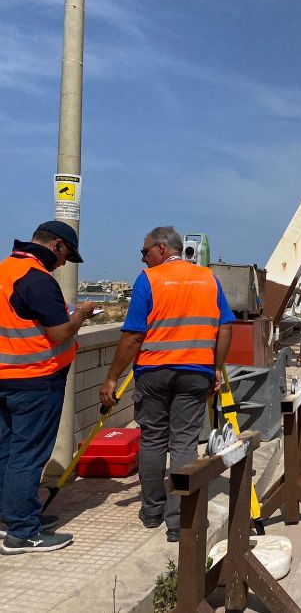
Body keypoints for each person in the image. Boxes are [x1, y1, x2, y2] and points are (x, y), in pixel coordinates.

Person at [98, 227, 234, 543]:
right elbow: (225, 327)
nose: (143, 259)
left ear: (161, 248)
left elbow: (132, 335)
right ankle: (178, 520)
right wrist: (216, 368)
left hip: (153, 373)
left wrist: (112, 376)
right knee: (185, 443)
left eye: (145, 252)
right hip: (196, 373)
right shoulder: (208, 279)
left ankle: (152, 512)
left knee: (154, 440)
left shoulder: (149, 280)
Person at [0, 221, 95, 554]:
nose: (64, 264)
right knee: (27, 457)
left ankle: (10, 517)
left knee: (8, 453)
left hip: (7, 377)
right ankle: (23, 532)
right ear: (56, 245)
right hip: (35, 381)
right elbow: (59, 333)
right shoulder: (37, 279)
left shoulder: (6, 270)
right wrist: (81, 314)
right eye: (66, 255)